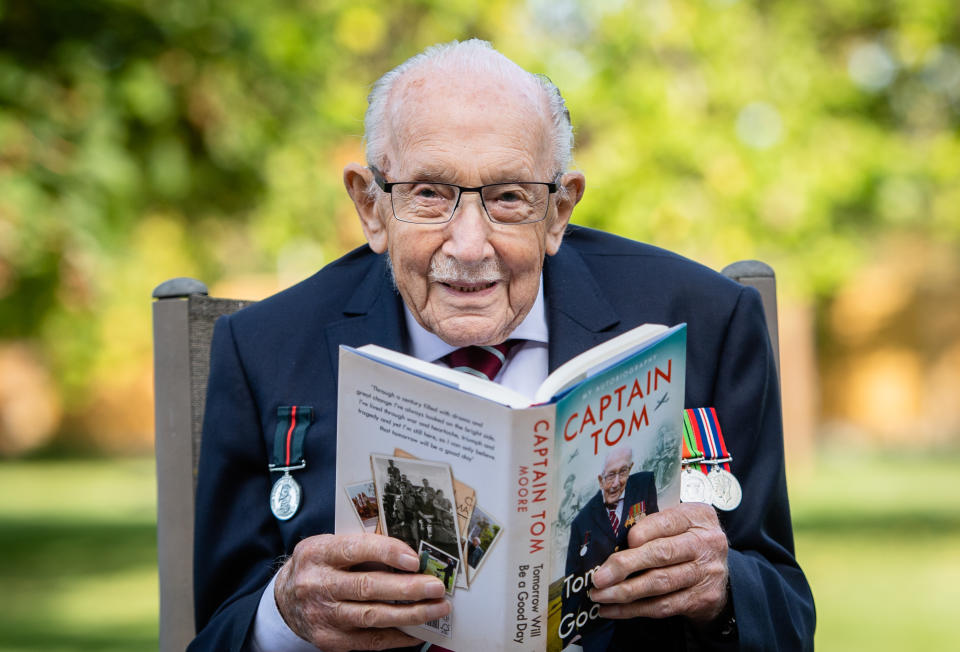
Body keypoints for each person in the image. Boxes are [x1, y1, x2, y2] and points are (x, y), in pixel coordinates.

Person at [190, 39, 815, 651]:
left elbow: (787, 619)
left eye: (508, 197)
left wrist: (723, 585)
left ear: (559, 211)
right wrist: (283, 612)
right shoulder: (262, 349)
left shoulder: (706, 320)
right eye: (429, 193)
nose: (468, 246)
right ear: (372, 206)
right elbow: (218, 628)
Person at [563, 448, 659, 650]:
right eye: (610, 476)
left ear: (631, 469)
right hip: (599, 632)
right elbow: (571, 580)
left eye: (622, 472)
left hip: (650, 621)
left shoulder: (644, 484)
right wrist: (571, 637)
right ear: (600, 479)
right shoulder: (581, 522)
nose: (616, 483)